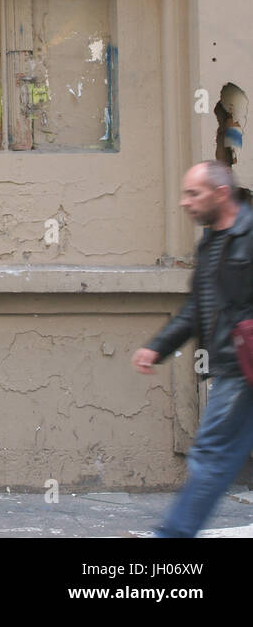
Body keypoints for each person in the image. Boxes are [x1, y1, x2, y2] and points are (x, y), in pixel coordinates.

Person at [133, 160, 253, 537]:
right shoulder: (211, 243)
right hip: (234, 365)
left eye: (193, 193)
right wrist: (157, 347)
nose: (185, 203)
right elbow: (196, 307)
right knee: (218, 455)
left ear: (220, 194)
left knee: (211, 455)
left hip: (240, 367)